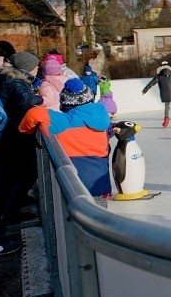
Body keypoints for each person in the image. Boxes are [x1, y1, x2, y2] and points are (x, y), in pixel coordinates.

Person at [19, 78, 113, 208]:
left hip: (73, 185)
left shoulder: (65, 120)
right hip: (99, 183)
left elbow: (33, 114)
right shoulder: (102, 116)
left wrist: (26, 131)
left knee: (75, 222)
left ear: (65, 102)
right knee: (98, 220)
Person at [0, 52, 43, 256]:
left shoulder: (9, 77)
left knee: (9, 177)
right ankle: (2, 222)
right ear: (28, 67)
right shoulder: (15, 80)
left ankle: (7, 214)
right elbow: (25, 101)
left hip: (8, 135)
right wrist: (40, 97)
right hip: (10, 135)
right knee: (10, 177)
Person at [142, 61, 171, 127]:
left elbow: (151, 83)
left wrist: (145, 90)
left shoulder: (158, 76)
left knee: (167, 106)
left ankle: (166, 121)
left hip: (164, 94)